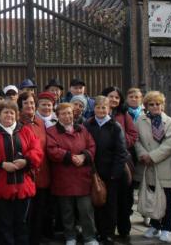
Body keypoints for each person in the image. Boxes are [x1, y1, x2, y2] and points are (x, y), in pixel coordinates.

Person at [0, 100, 42, 245]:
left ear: (16, 115)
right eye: (5, 112)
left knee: (22, 224)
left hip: (24, 186)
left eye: (12, 112)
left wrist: (26, 161)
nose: (9, 115)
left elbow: (37, 151)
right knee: (5, 224)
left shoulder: (26, 130)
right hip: (2, 185)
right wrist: (2, 164)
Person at [46, 103, 98, 245]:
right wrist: (69, 156)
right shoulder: (51, 131)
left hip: (82, 177)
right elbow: (51, 150)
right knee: (66, 211)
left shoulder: (82, 130)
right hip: (63, 177)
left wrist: (84, 156)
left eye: (69, 113)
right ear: (57, 116)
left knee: (86, 210)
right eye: (63, 113)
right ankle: (70, 237)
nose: (67, 116)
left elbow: (92, 146)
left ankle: (90, 237)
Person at [135, 91, 171, 243]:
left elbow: (169, 144)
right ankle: (154, 226)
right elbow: (136, 140)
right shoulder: (140, 120)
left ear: (162, 105)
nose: (155, 107)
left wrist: (152, 156)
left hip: (163, 165)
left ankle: (166, 228)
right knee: (152, 197)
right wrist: (142, 154)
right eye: (151, 104)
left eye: (157, 104)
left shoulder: (170, 122)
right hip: (148, 166)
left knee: (166, 199)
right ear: (146, 106)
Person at [84, 95, 127, 245]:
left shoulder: (115, 126)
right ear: (93, 108)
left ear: (109, 109)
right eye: (98, 107)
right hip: (93, 172)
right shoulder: (88, 125)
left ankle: (109, 234)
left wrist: (115, 173)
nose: (101, 110)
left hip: (111, 173)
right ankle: (99, 232)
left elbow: (121, 152)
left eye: (104, 107)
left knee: (110, 204)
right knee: (96, 203)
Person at [101, 86, 138, 240]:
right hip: (104, 161)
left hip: (123, 161)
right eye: (111, 96)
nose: (114, 100)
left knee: (124, 198)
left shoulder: (124, 115)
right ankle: (107, 230)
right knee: (107, 199)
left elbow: (133, 134)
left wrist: (121, 142)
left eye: (117, 97)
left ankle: (124, 229)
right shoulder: (99, 113)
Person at [19, 91, 51, 245]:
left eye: (32, 103)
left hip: (43, 173)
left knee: (40, 210)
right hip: (26, 174)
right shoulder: (18, 123)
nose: (30, 106)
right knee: (26, 213)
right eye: (26, 103)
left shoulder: (40, 123)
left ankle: (36, 239)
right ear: (20, 106)